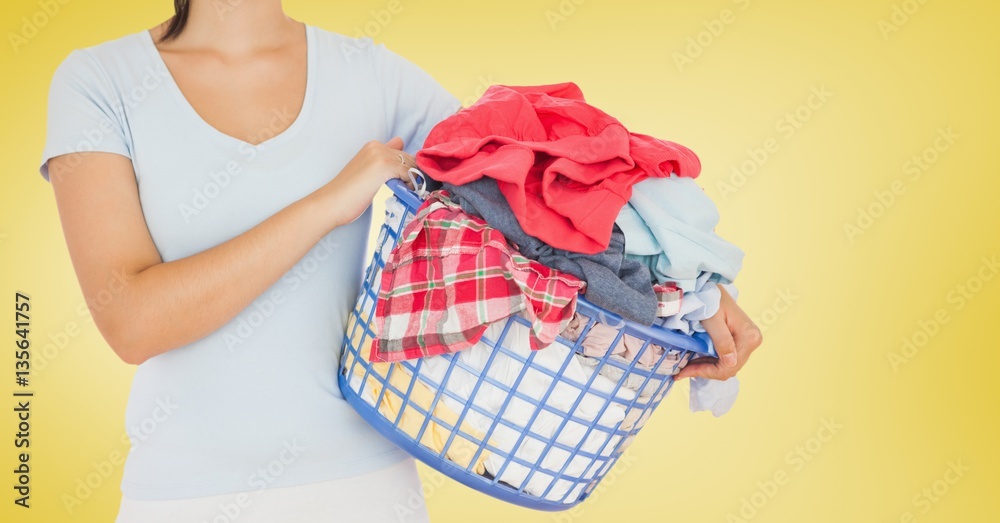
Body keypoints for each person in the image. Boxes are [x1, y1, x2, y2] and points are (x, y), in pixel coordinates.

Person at [39, 1, 762, 521]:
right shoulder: (99, 82)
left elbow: (537, 175)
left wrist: (690, 282)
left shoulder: (373, 77)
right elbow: (131, 320)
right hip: (182, 498)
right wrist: (331, 200)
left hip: (366, 492)